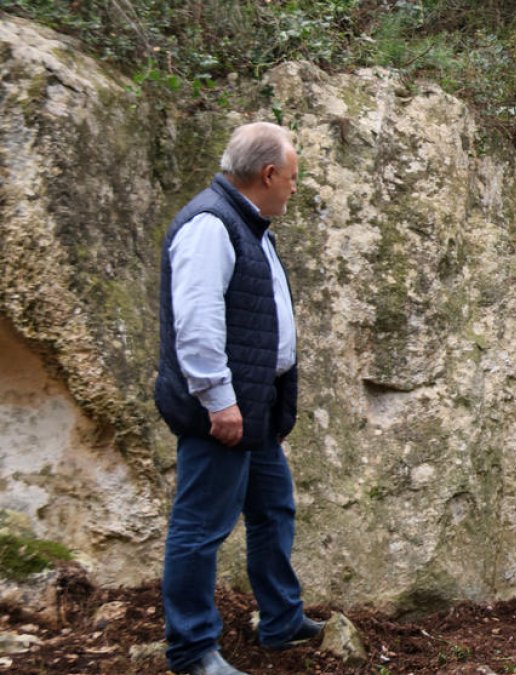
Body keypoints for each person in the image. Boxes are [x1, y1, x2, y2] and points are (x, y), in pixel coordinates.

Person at [155, 122, 322, 675]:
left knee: (273, 512)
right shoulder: (211, 225)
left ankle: (281, 622)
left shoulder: (251, 226)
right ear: (268, 173)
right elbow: (197, 328)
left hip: (256, 405)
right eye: (292, 178)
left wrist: (269, 403)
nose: (295, 188)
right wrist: (219, 401)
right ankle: (193, 650)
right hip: (223, 410)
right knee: (201, 529)